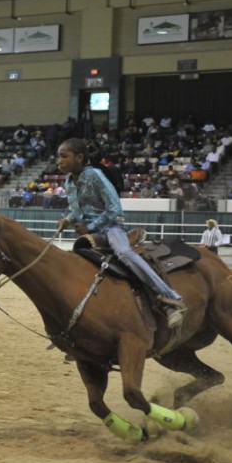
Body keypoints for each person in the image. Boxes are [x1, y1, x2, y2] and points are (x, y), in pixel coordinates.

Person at [55, 138, 186, 329]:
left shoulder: (95, 175)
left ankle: (171, 297)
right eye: (59, 157)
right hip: (89, 232)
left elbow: (115, 209)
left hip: (111, 228)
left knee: (124, 253)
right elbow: (77, 211)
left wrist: (90, 228)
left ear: (80, 157)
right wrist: (68, 220)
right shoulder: (69, 183)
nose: (60, 161)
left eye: (64, 156)